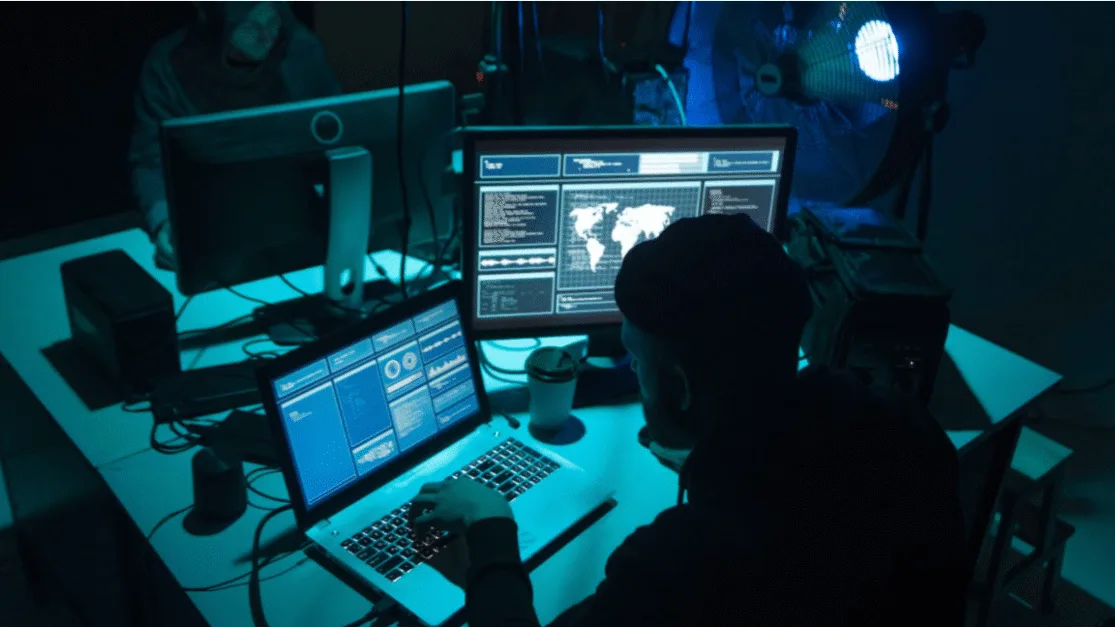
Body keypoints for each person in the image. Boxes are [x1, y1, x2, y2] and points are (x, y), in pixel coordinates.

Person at [412, 213, 968, 626]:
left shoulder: (681, 564)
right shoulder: (905, 431)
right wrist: (714, 455)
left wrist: (490, 526)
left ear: (677, 388)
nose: (635, 374)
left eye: (637, 361)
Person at [128, 1, 342, 268]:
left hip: (298, 232)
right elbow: (150, 162)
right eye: (250, 26)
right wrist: (164, 222)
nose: (265, 35)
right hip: (211, 239)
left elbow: (341, 138)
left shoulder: (302, 50)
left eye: (272, 23)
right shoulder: (167, 66)